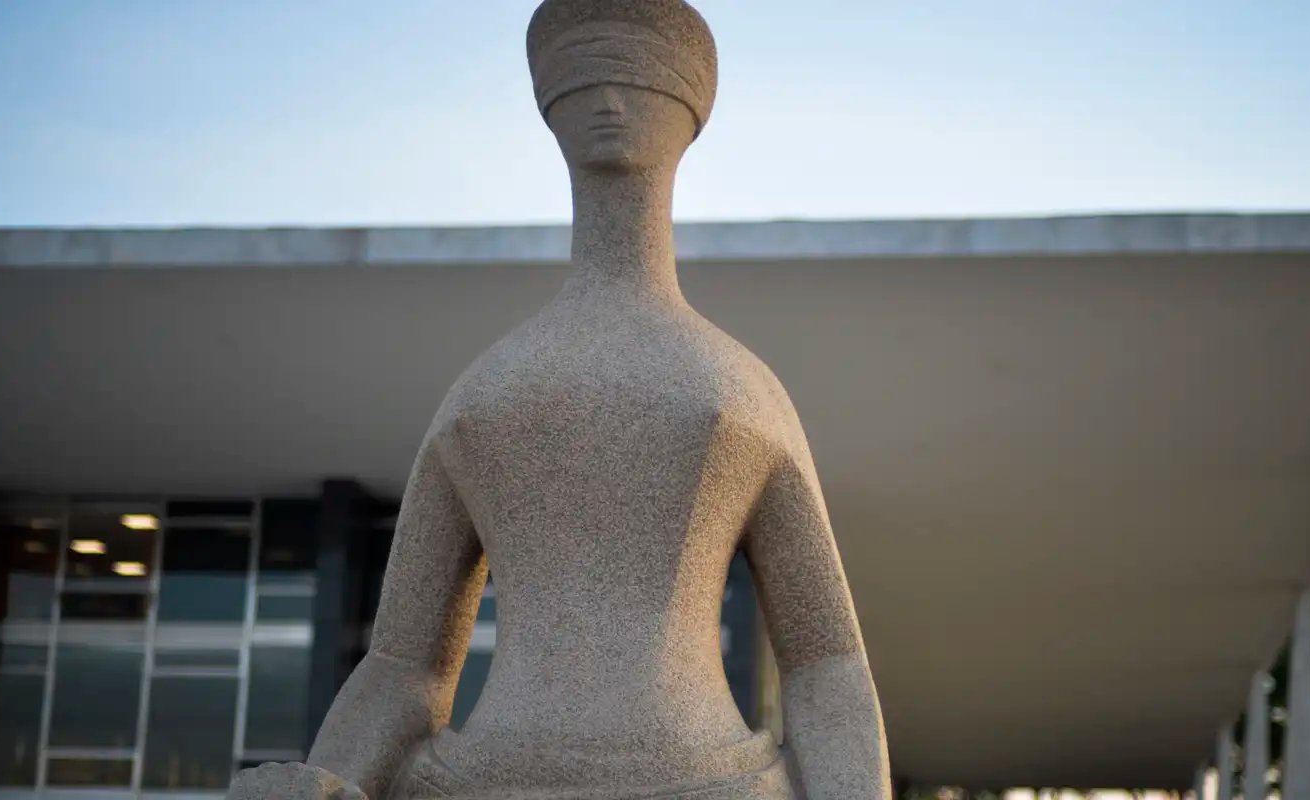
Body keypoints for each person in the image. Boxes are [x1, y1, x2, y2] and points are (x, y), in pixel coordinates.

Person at [229, 2, 887, 797]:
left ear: (687, 111)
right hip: (481, 781)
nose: (608, 103)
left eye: (634, 80)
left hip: (715, 779)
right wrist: (326, 780)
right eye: (585, 84)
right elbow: (405, 663)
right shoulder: (486, 396)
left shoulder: (737, 392)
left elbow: (826, 657)